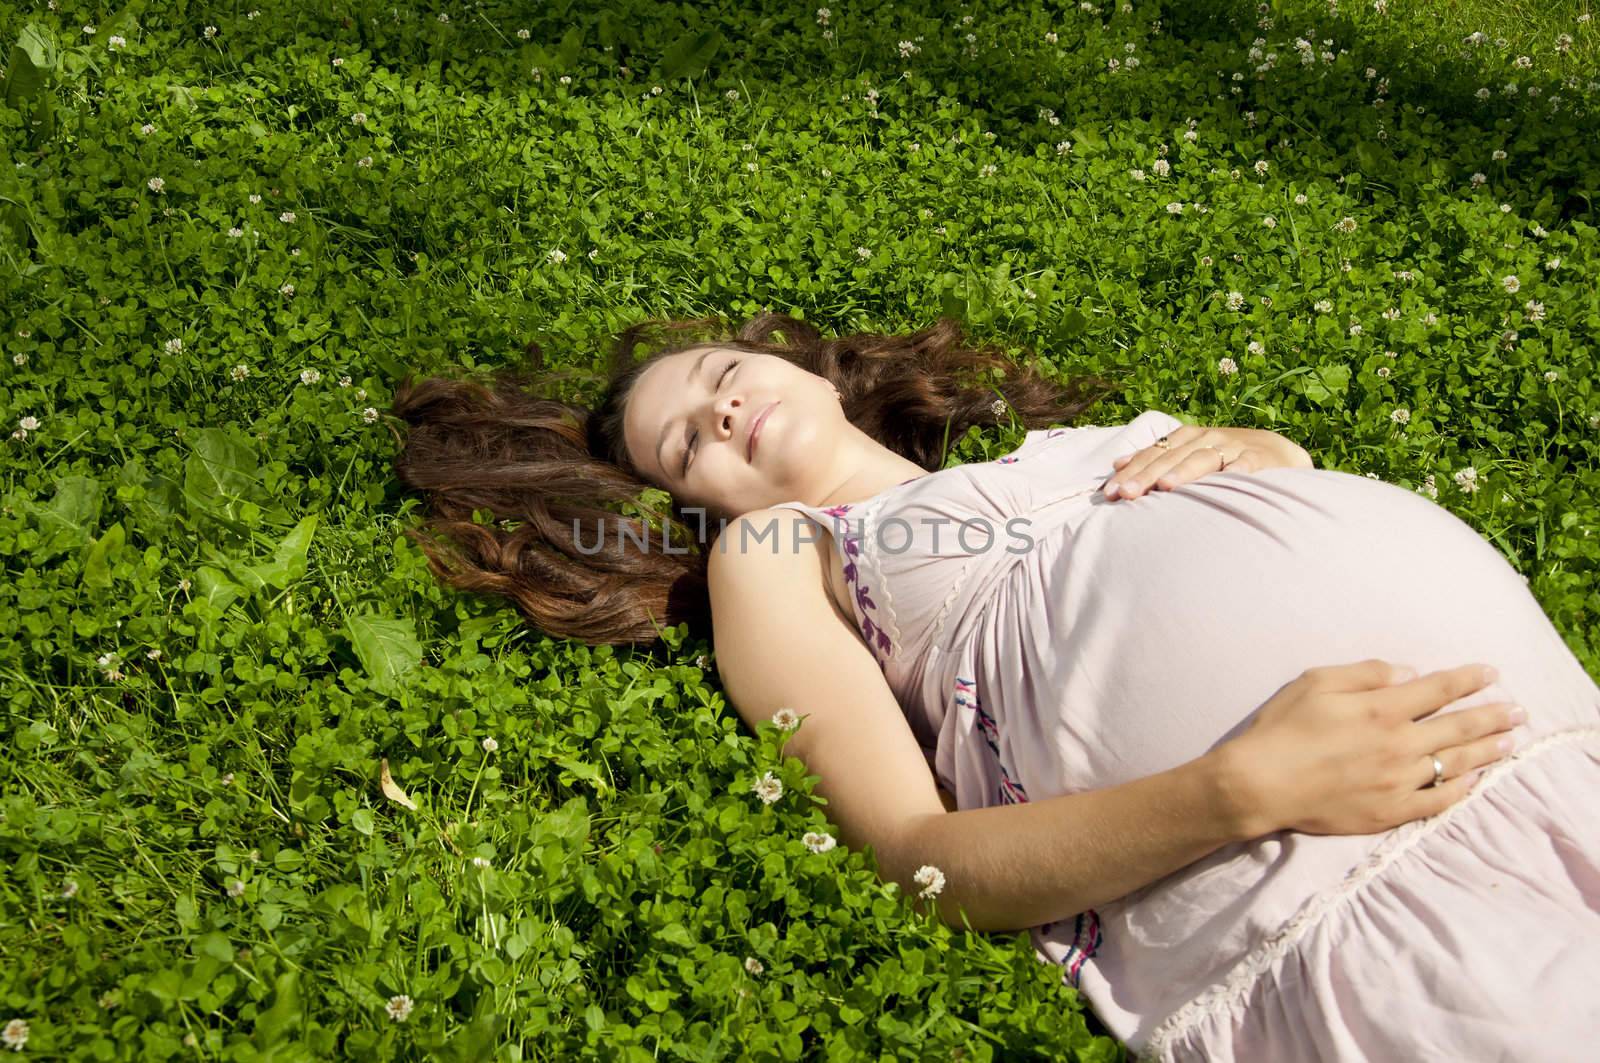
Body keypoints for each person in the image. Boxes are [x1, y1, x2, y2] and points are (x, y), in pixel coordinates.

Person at [390, 312, 1600, 1061]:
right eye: (685, 445)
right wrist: (1240, 787)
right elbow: (922, 857)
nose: (717, 405)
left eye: (718, 371)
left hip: (1560, 770)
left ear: (800, 366)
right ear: (691, 505)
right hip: (1350, 885)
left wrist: (1272, 459)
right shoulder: (773, 556)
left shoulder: (1079, 448)